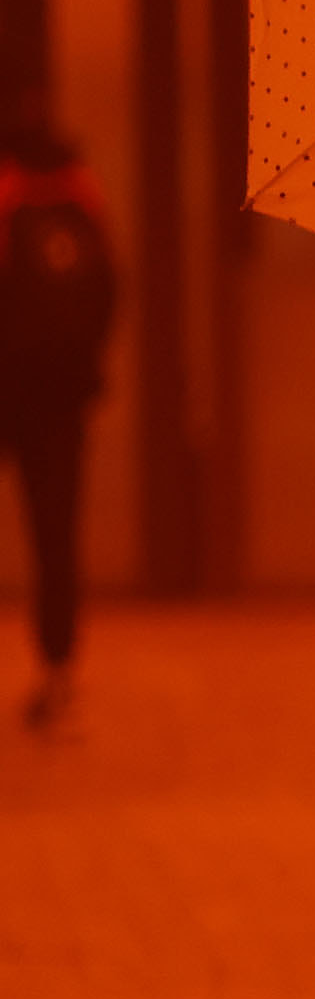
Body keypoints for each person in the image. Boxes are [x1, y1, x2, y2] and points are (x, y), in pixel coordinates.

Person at [0, 118, 115, 733]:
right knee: (56, 537)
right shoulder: (82, 197)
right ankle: (59, 673)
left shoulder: (10, 194)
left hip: (10, 389)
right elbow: (110, 296)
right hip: (63, 402)